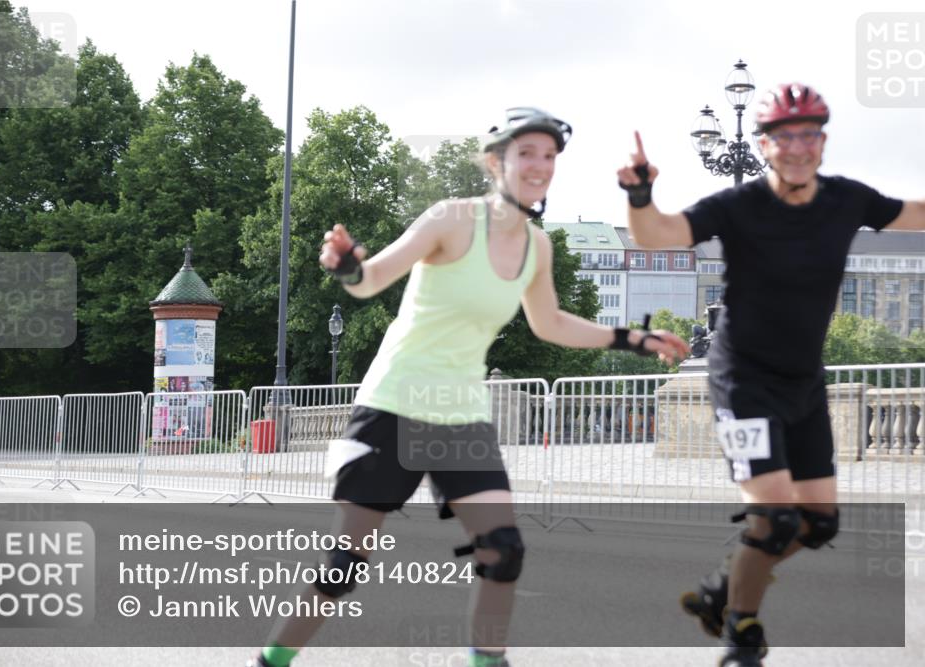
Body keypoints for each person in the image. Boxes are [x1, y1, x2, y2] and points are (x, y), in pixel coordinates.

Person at [248, 107, 690, 667]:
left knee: (502, 551)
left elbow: (548, 323)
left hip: (461, 415)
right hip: (395, 403)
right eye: (526, 153)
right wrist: (348, 266)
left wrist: (630, 338)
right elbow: (373, 279)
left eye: (549, 156)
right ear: (495, 161)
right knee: (345, 565)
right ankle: (270, 661)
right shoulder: (451, 219)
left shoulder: (538, 246)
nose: (539, 166)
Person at [616, 82, 925, 666]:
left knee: (819, 523)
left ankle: (722, 591)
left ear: (823, 141)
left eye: (809, 134)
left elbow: (916, 214)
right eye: (784, 136)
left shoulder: (849, 200)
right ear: (763, 145)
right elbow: (656, 234)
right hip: (744, 380)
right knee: (777, 518)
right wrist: (639, 192)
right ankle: (741, 632)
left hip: (804, 381)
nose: (798, 147)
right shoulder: (738, 207)